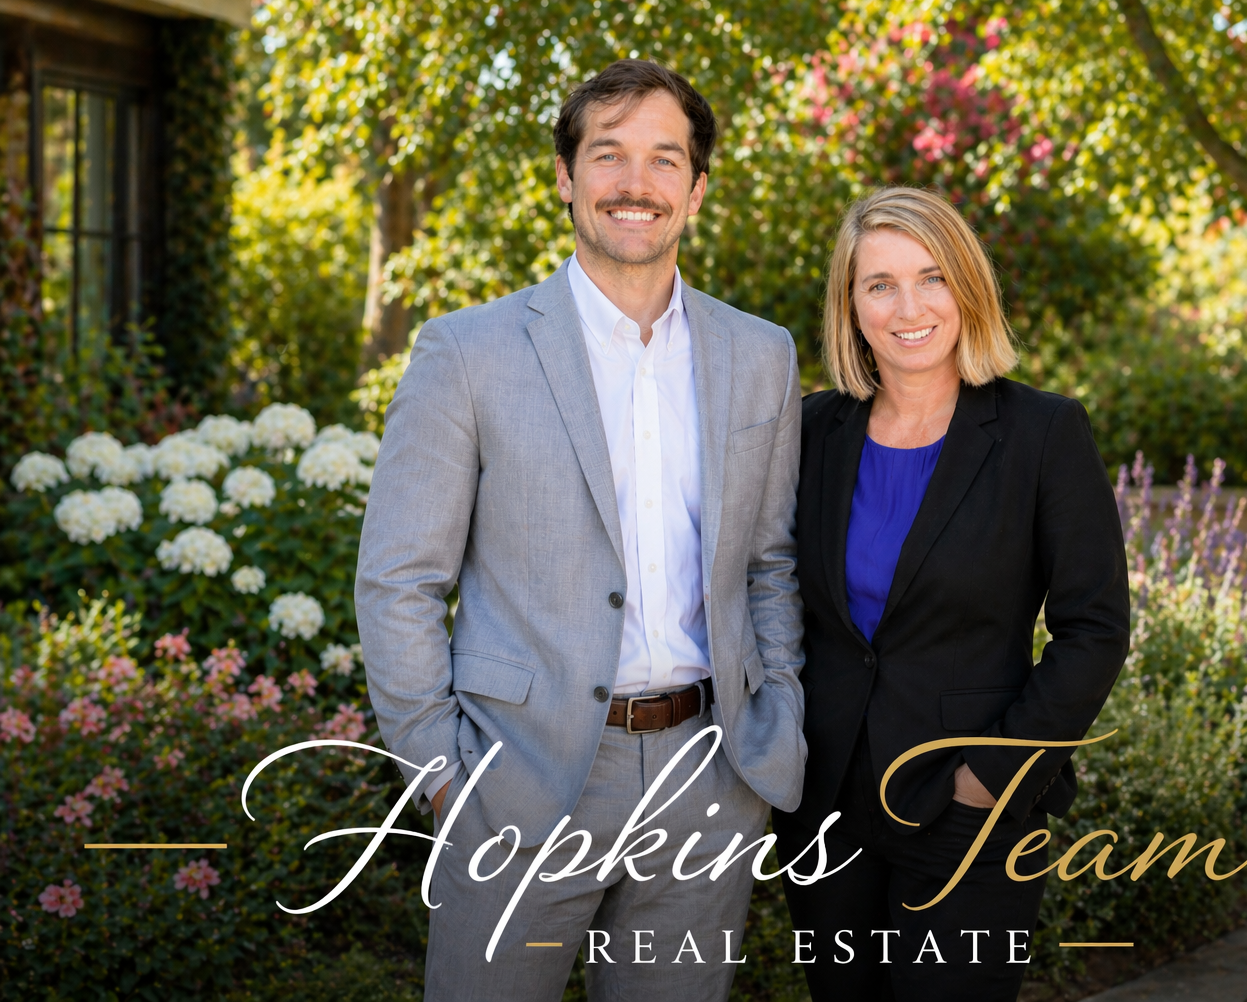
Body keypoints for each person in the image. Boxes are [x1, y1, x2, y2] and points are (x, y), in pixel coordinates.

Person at [355, 59, 806, 1002]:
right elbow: (399, 578)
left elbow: (769, 562)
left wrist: (776, 722)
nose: (636, 183)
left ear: (696, 188)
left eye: (664, 159)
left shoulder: (760, 354)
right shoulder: (466, 352)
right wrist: (442, 776)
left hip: (707, 777)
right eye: (609, 155)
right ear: (565, 177)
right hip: (514, 780)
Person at [774, 186, 1130, 1001]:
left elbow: (1095, 628)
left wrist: (989, 778)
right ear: (851, 305)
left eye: (932, 277)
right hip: (825, 808)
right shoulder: (810, 431)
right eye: (880, 284)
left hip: (969, 811)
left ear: (967, 287)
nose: (909, 307)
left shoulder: (1042, 432)